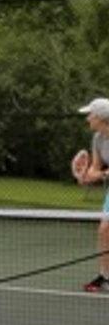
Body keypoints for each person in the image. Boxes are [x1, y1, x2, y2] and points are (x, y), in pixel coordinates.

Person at [73, 97, 109, 292]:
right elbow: (96, 168)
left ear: (101, 118)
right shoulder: (98, 139)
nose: (87, 118)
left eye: (90, 114)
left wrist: (101, 174)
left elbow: (102, 173)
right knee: (104, 229)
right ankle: (104, 276)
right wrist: (86, 177)